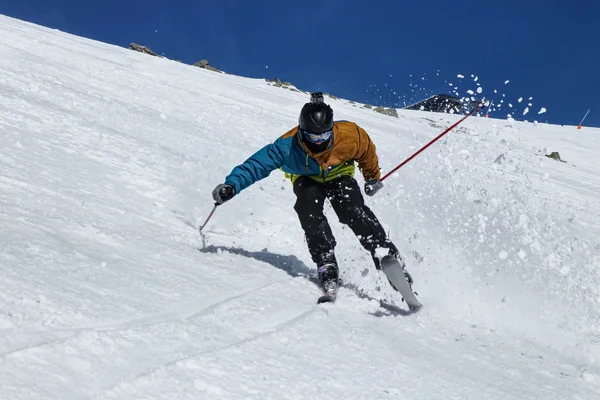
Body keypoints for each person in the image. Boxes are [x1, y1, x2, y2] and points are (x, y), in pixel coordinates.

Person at [212, 94, 412, 298]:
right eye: (313, 137)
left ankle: (383, 250)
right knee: (308, 208)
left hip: (339, 175)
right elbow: (257, 164)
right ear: (301, 130)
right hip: (306, 178)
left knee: (351, 208)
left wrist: (371, 178)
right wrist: (232, 185)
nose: (318, 142)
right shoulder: (286, 145)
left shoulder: (349, 134)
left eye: (324, 136)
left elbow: (366, 152)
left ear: (331, 128)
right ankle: (325, 259)